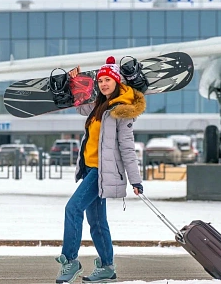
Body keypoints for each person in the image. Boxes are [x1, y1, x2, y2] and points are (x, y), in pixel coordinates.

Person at [55, 56, 146, 283]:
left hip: (102, 172)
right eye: (101, 80)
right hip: (89, 170)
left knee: (72, 208)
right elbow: (79, 105)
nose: (104, 84)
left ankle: (70, 260)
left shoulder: (120, 110)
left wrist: (135, 181)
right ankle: (107, 267)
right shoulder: (98, 105)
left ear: (117, 81)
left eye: (108, 80)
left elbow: (127, 148)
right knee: (96, 222)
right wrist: (74, 82)